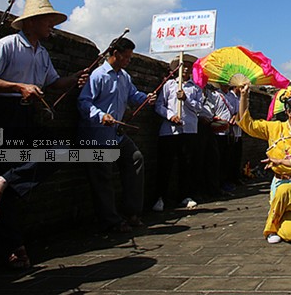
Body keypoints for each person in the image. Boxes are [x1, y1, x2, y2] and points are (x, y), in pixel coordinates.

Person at [0, 0, 89, 269]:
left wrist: (74, 80)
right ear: (33, 21)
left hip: (24, 117)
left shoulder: (42, 53)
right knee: (0, 190)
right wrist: (18, 87)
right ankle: (11, 248)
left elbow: (53, 83)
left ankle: (2, 184)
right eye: (49, 20)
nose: (53, 25)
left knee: (59, 152)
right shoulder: (7, 45)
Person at [77, 37, 156, 233]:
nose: (128, 60)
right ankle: (110, 220)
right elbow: (84, 102)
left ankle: (132, 212)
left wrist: (146, 98)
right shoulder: (98, 75)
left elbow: (133, 95)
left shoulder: (124, 77)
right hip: (97, 135)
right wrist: (101, 115)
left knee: (135, 159)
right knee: (102, 177)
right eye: (126, 57)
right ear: (115, 54)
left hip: (117, 135)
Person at [236, 83, 291, 243]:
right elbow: (248, 125)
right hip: (279, 182)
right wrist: (244, 96)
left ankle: (270, 228)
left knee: (286, 189)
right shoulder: (274, 128)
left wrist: (280, 161)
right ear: (288, 112)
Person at [152, 55, 202, 212]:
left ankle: (184, 196)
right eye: (183, 65)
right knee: (165, 164)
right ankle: (161, 197)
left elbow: (199, 108)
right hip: (170, 131)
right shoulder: (169, 85)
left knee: (186, 164)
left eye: (188, 66)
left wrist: (186, 99)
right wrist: (170, 116)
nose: (186, 69)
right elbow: (159, 105)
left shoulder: (195, 88)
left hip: (189, 130)